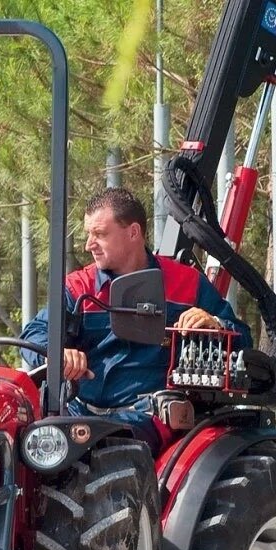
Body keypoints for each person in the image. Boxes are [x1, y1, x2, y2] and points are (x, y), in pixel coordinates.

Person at [20, 187, 252, 453]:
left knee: (109, 453)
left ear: (133, 232)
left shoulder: (187, 284)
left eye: (100, 234)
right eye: (88, 234)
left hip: (149, 419)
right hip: (78, 415)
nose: (88, 245)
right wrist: (56, 355)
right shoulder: (77, 287)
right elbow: (34, 334)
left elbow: (242, 339)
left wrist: (215, 325)